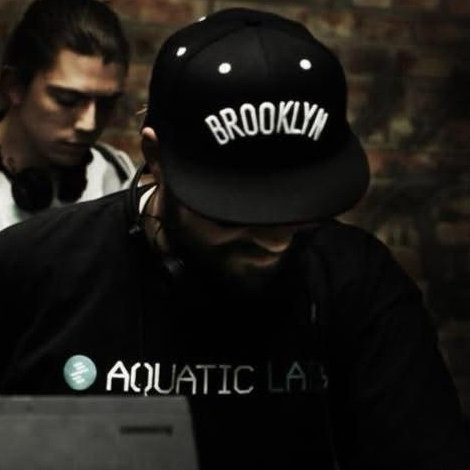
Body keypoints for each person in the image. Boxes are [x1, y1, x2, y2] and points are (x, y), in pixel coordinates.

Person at [0, 8, 469, 470]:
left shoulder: (358, 282)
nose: (275, 242)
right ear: (156, 158)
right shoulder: (32, 268)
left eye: (295, 211)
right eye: (234, 214)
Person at [0, 0, 135, 230]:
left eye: (106, 104)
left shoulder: (113, 175)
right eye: (67, 100)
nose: (89, 124)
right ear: (15, 87)